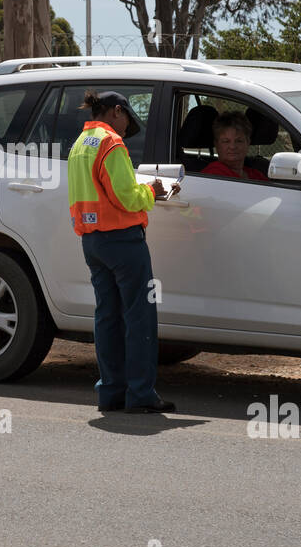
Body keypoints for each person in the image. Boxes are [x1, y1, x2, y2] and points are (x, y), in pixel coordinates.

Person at [67, 90, 179, 414]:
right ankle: (141, 394)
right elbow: (127, 197)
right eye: (127, 119)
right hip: (122, 240)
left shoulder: (79, 145)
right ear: (117, 111)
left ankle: (110, 392)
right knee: (140, 317)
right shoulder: (111, 143)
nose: (126, 127)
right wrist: (153, 190)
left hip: (92, 242)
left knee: (107, 317)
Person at [202, 112, 268, 180]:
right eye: (226, 141)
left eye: (239, 141)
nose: (232, 146)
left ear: (248, 143)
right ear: (216, 144)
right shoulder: (212, 175)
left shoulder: (256, 175)